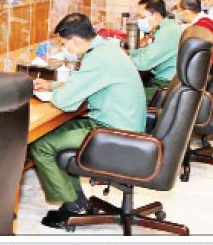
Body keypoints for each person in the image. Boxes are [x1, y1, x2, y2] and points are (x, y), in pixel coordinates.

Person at [31, 13, 145, 230]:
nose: (64, 48)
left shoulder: (98, 59)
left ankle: (72, 205)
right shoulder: (106, 49)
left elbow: (65, 103)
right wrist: (52, 86)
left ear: (75, 40)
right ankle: (77, 198)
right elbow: (83, 82)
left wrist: (56, 93)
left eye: (63, 44)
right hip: (119, 124)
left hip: (114, 133)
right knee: (53, 132)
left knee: (41, 145)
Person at [131, 0, 183, 102]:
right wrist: (130, 53)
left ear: (156, 16)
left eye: (142, 17)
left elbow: (143, 63)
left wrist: (121, 59)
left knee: (123, 97)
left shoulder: (168, 32)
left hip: (165, 86)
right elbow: (148, 52)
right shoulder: (167, 27)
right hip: (164, 82)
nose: (139, 21)